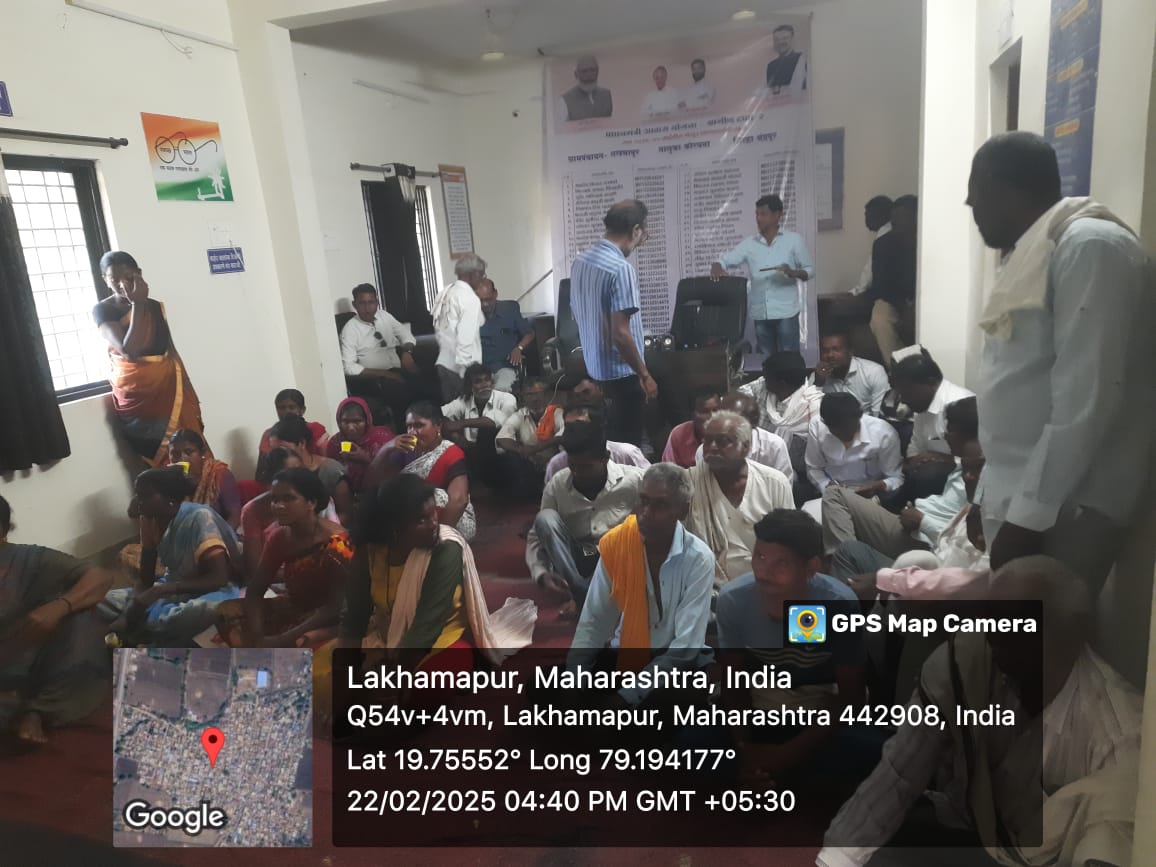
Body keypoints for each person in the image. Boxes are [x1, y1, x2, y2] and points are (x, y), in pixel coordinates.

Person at [818, 556, 1143, 867]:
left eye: (1015, 627)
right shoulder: (967, 662)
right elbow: (898, 774)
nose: (992, 637)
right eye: (991, 621)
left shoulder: (1119, 734)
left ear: (1067, 634)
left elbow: (1107, 847)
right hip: (974, 826)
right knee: (873, 838)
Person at [967, 131, 1155, 593]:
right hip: (1023, 495)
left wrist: (1028, 519)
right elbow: (1014, 380)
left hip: (1069, 503)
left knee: (1047, 632)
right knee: (1015, 631)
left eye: (975, 196)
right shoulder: (1034, 251)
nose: (971, 207)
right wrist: (984, 495)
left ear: (1001, 189)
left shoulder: (1090, 247)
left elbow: (1086, 400)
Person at [716, 510, 870, 786]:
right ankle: (764, 772)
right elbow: (734, 685)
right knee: (693, 744)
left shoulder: (836, 604)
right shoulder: (734, 600)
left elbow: (852, 697)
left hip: (817, 718)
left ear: (811, 567)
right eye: (760, 557)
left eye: (781, 563)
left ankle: (773, 774)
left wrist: (786, 755)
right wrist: (744, 748)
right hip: (759, 711)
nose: (764, 572)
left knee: (867, 752)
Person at [568, 464, 714, 704]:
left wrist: (627, 696)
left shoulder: (698, 559)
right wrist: (574, 678)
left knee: (676, 701)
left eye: (660, 505)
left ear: (683, 510)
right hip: (627, 654)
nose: (646, 513)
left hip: (673, 664)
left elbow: (685, 647)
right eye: (643, 501)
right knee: (542, 685)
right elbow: (595, 620)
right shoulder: (618, 544)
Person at [0, 494, 113, 744]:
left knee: (83, 619)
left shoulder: (31, 558)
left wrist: (60, 606)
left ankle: (37, 711)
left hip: (32, 659)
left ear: (3, 532)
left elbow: (100, 577)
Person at [826, 398, 982, 574]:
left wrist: (922, 521)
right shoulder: (962, 464)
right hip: (911, 524)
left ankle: (847, 565)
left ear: (971, 435)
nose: (945, 435)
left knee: (835, 498)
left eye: (951, 430)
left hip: (925, 542)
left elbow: (963, 544)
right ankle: (848, 563)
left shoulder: (977, 478)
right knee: (837, 498)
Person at [100, 467, 241, 646]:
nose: (138, 501)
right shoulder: (148, 520)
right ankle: (147, 625)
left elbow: (219, 578)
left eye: (146, 495)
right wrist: (134, 605)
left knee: (205, 611)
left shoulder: (199, 517)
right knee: (104, 601)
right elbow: (146, 579)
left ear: (171, 502)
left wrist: (161, 591)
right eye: (137, 494)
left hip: (211, 590)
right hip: (172, 584)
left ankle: (146, 627)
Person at [217, 469, 352, 649]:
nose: (278, 506)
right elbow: (255, 590)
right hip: (293, 607)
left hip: (327, 620)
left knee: (305, 642)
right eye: (274, 499)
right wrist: (258, 635)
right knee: (225, 613)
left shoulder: (339, 543)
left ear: (311, 503)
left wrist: (280, 640)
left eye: (288, 499)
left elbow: (334, 607)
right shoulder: (280, 538)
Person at [93, 251, 205, 467]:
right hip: (139, 396)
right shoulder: (104, 310)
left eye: (128, 277)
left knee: (190, 444)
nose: (122, 284)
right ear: (105, 280)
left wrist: (187, 387)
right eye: (114, 279)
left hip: (170, 387)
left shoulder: (154, 306)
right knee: (161, 454)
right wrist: (137, 304)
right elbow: (129, 351)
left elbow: (170, 349)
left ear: (139, 274)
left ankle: (203, 486)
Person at [527, 422, 645, 616]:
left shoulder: (636, 480)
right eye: (572, 465)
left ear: (606, 458)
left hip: (620, 556)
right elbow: (537, 536)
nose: (577, 472)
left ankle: (585, 600)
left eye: (586, 467)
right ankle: (583, 594)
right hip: (580, 556)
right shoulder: (558, 484)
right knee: (545, 519)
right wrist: (541, 573)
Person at [569, 199, 657, 445]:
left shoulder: (581, 262)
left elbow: (578, 313)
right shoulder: (620, 269)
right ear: (636, 230)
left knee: (605, 442)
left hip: (595, 370)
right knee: (628, 445)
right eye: (644, 231)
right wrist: (644, 375)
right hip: (622, 374)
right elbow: (620, 334)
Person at [686, 411, 793, 586]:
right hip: (708, 586)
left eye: (723, 441)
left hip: (767, 582)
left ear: (745, 446)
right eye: (707, 441)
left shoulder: (774, 482)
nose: (712, 447)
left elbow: (790, 542)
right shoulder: (689, 483)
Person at [710, 194, 814, 354]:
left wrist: (793, 272)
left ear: (777, 215)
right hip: (761, 314)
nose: (758, 219)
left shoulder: (794, 240)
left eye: (763, 214)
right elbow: (726, 260)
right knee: (766, 359)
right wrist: (717, 265)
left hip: (786, 312)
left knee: (789, 358)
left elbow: (810, 270)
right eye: (757, 214)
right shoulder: (749, 244)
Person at [368, 401, 476, 540]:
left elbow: (459, 500)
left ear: (438, 425)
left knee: (430, 494)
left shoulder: (451, 452)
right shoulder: (404, 450)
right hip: (415, 518)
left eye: (419, 425)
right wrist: (386, 448)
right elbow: (373, 485)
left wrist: (438, 538)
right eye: (409, 426)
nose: (412, 432)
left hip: (449, 521)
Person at [804, 394, 903, 520]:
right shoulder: (817, 426)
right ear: (826, 423)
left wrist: (880, 486)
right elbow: (813, 468)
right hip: (832, 492)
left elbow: (896, 477)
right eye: (837, 431)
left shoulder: (883, 433)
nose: (844, 436)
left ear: (860, 417)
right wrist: (826, 486)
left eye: (849, 429)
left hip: (870, 496)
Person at [891, 351, 973, 500]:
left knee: (929, 474)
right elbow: (914, 449)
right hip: (931, 478)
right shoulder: (921, 406)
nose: (903, 400)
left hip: (963, 480)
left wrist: (944, 459)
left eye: (907, 392)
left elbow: (980, 460)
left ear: (931, 382)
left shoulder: (961, 405)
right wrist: (916, 461)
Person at [339, 283, 420, 428]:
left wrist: (406, 353)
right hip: (374, 380)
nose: (367, 308)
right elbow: (348, 367)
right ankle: (405, 433)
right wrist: (384, 374)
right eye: (362, 303)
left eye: (371, 302)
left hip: (397, 369)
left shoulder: (384, 316)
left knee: (426, 382)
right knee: (403, 392)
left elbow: (407, 336)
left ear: (377, 303)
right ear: (355, 305)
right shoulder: (350, 330)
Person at [441, 363, 518, 485]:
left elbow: (494, 421)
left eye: (487, 380)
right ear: (470, 386)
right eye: (478, 381)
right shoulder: (465, 400)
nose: (484, 385)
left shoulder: (507, 398)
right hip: (473, 454)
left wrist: (460, 424)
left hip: (503, 454)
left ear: (492, 382)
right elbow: (440, 414)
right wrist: (455, 435)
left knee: (486, 430)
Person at [694, 392, 794, 482]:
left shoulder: (774, 446)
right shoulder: (705, 450)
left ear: (753, 423)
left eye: (737, 421)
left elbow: (784, 486)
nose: (727, 425)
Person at [867, 194, 918, 366]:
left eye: (903, 219)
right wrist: (904, 307)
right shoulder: (883, 244)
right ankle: (899, 368)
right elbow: (881, 286)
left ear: (916, 218)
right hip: (894, 299)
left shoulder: (929, 240)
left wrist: (914, 305)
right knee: (879, 317)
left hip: (924, 298)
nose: (897, 224)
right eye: (894, 220)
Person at [544, 402, 649, 482]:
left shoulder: (627, 454)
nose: (574, 431)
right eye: (569, 427)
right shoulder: (556, 465)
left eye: (581, 426)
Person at [431, 253, 485, 402]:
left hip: (444, 364)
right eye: (482, 275)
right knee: (469, 412)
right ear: (473, 274)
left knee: (452, 412)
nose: (482, 279)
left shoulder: (444, 293)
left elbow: (440, 332)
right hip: (461, 369)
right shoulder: (469, 298)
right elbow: (465, 337)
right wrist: (468, 374)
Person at [494, 377, 566, 485]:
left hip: (554, 465)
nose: (534, 399)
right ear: (523, 397)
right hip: (530, 465)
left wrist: (533, 450)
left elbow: (562, 436)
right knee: (509, 458)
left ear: (545, 395)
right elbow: (502, 438)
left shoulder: (557, 412)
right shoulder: (520, 415)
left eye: (538, 393)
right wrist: (523, 451)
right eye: (529, 395)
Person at [168, 429, 241, 529]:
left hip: (218, 533)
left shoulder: (218, 474)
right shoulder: (167, 478)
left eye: (188, 452)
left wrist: (218, 536)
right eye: (175, 454)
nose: (182, 458)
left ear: (202, 453)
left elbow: (235, 516)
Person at [808, 330, 890, 415]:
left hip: (866, 422)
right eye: (825, 350)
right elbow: (809, 414)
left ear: (850, 352)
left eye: (836, 349)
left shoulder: (873, 371)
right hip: (831, 422)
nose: (830, 355)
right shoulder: (818, 376)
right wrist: (818, 384)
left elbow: (879, 414)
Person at [325, 397, 395, 495]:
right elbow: (331, 476)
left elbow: (393, 475)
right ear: (339, 422)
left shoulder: (382, 439)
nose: (351, 428)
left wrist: (366, 458)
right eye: (345, 422)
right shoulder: (335, 443)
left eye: (357, 421)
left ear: (367, 421)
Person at [256, 388, 329, 481]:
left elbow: (326, 461)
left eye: (292, 407)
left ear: (302, 410)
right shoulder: (269, 434)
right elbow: (261, 471)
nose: (287, 411)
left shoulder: (315, 428)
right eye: (281, 408)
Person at [476, 278, 534, 393]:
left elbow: (529, 333)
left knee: (500, 391)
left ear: (495, 294)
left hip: (505, 367)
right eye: (480, 300)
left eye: (488, 299)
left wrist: (519, 348)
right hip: (480, 370)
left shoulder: (510, 310)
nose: (485, 304)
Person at [661, 388, 721, 468]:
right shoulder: (679, 435)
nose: (713, 416)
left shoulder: (731, 434)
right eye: (705, 412)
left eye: (716, 410)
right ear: (692, 414)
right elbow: (668, 471)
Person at [849, 196, 893, 296]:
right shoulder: (889, 231)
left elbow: (868, 278)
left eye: (867, 215)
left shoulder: (883, 238)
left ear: (878, 215)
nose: (866, 220)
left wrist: (855, 293)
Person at [560, 55, 613, 121]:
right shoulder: (565, 100)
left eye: (592, 70)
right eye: (584, 71)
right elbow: (562, 126)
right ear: (576, 74)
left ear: (598, 72)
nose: (589, 75)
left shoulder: (606, 95)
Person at [764, 24, 807, 94]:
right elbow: (771, 92)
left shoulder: (801, 59)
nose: (780, 42)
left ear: (792, 39)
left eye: (785, 38)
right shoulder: (771, 65)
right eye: (777, 39)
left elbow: (804, 88)